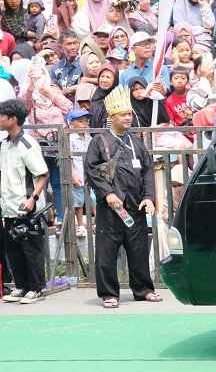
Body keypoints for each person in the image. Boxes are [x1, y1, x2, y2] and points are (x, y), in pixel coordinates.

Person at [84, 86, 160, 308]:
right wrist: (107, 193)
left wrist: (149, 196)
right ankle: (109, 293)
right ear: (112, 117)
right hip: (111, 208)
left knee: (138, 250)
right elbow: (91, 169)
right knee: (107, 252)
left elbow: (147, 170)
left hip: (134, 205)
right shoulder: (99, 141)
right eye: (124, 114)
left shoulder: (136, 141)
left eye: (129, 114)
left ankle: (143, 289)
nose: (128, 118)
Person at [0, 99, 51, 305]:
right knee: (13, 249)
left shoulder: (27, 144)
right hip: (8, 207)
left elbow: (43, 174)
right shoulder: (3, 145)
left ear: (13, 119)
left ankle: (36, 288)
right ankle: (20, 286)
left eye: (2, 115)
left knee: (31, 249)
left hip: (27, 208)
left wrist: (33, 198)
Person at [66, 108, 92, 238]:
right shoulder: (70, 139)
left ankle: (96, 224)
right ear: (71, 123)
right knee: (78, 202)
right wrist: (72, 175)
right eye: (80, 121)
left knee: (94, 199)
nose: (84, 124)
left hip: (90, 174)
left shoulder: (89, 137)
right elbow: (68, 159)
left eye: (86, 121)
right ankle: (80, 225)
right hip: (78, 174)